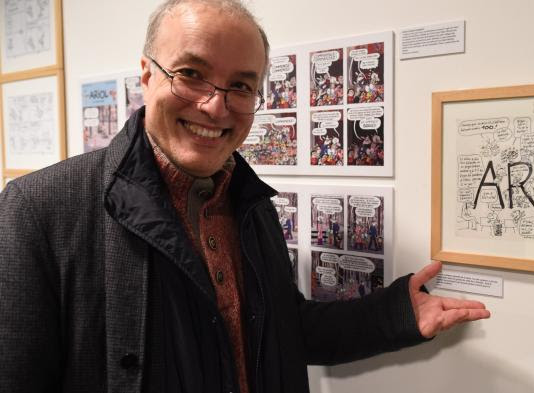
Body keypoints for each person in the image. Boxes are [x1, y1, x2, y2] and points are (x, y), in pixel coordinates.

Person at [0, 1, 490, 392]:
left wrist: (395, 314)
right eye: (190, 73)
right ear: (147, 76)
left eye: (241, 85)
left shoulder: (247, 200)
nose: (216, 105)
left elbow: (281, 329)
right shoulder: (40, 208)